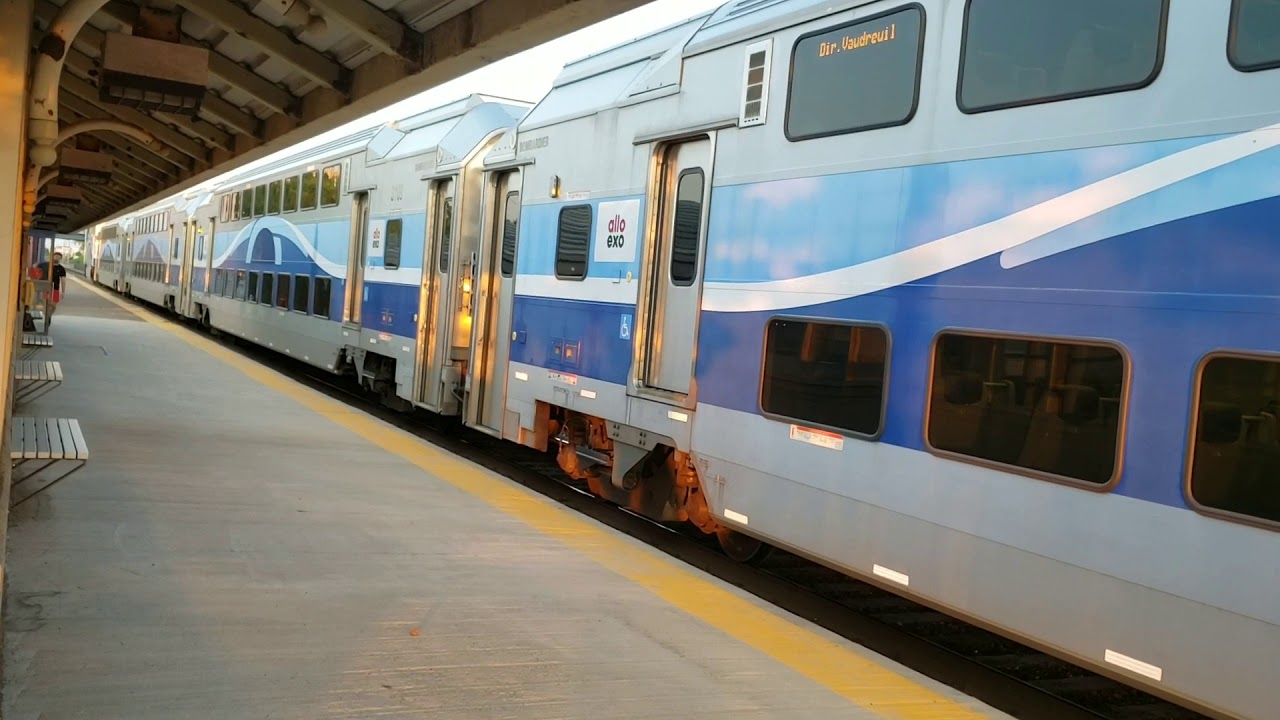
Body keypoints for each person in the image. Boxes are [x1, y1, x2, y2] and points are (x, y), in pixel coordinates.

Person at [32, 251, 67, 325]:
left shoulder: (61, 269)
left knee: (53, 306)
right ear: (52, 257)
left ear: (60, 259)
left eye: (58, 257)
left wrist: (63, 291)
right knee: (46, 304)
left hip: (55, 289)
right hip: (46, 288)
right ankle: (47, 317)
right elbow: (35, 266)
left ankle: (48, 316)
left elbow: (63, 280)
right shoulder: (45, 265)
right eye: (55, 256)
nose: (56, 258)